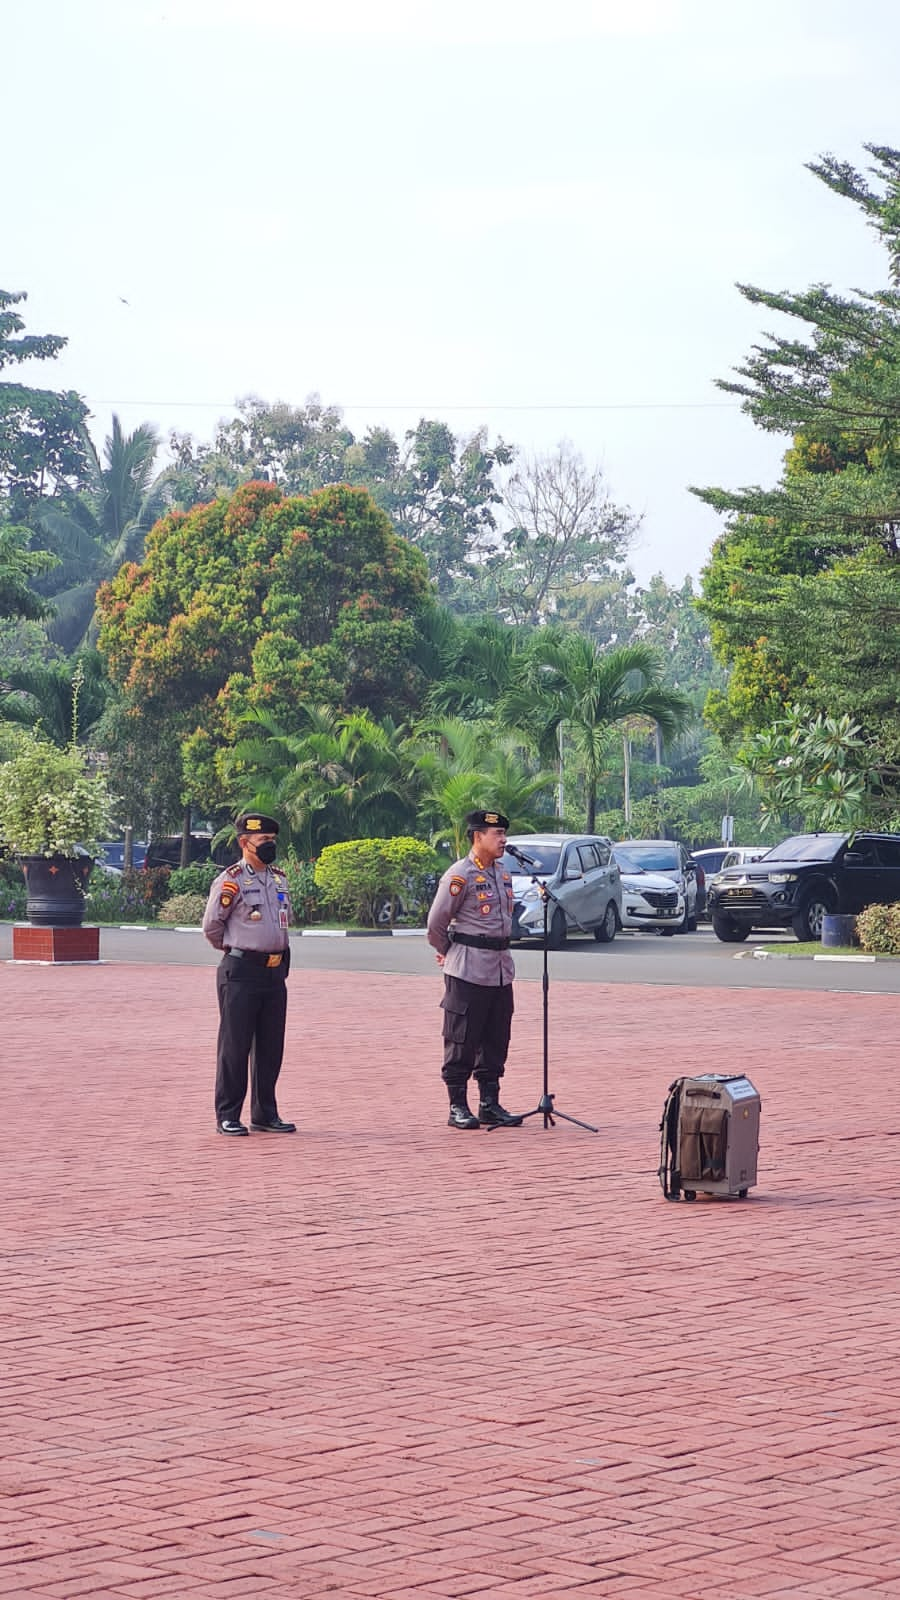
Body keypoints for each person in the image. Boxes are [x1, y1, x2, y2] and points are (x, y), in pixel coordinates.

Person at [426, 809, 524, 1130]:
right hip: (467, 969)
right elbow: (435, 924)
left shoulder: (502, 873)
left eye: (503, 833)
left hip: (499, 969)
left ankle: (489, 1103)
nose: (503, 839)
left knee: (497, 1037)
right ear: (477, 836)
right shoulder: (459, 875)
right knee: (462, 1038)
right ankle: (457, 1105)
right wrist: (448, 952)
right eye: (496, 834)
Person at [202, 813, 296, 1137]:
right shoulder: (231, 881)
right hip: (241, 971)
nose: (270, 846)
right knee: (235, 1046)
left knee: (271, 1047)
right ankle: (228, 1114)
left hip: (274, 972)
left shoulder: (279, 879)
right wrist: (236, 949)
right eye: (263, 842)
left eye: (272, 841)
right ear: (245, 843)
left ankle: (265, 1113)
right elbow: (212, 927)